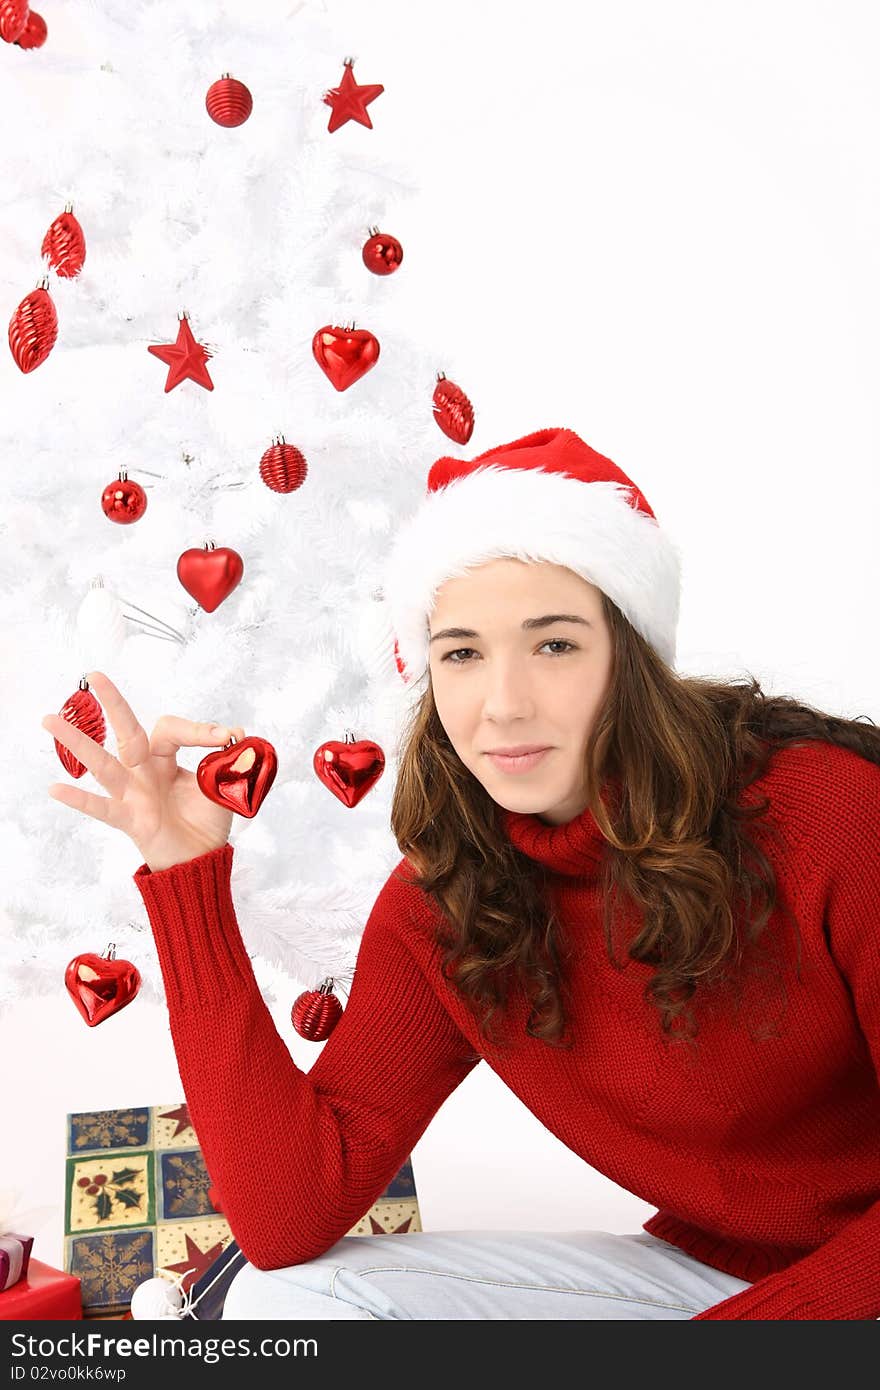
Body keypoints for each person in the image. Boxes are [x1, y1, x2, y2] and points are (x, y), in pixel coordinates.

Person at [41, 426, 880, 1321]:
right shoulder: (449, 900)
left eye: (554, 645)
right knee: (284, 1298)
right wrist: (188, 880)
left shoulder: (829, 814)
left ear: (629, 658)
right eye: (463, 653)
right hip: (706, 1283)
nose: (503, 704)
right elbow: (289, 1218)